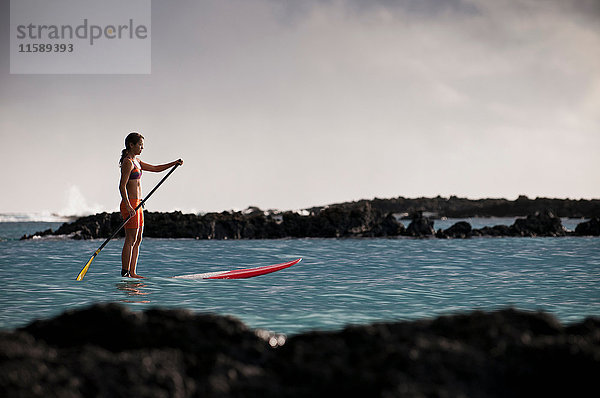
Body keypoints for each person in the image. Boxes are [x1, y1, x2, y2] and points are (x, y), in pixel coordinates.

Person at [119, 132, 183, 278]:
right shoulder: (127, 162)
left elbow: (155, 168)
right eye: (140, 145)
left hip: (139, 204)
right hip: (129, 204)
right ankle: (125, 272)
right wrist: (128, 206)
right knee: (131, 239)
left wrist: (173, 163)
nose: (142, 148)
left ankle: (133, 272)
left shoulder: (138, 162)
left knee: (139, 239)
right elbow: (122, 186)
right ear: (131, 145)